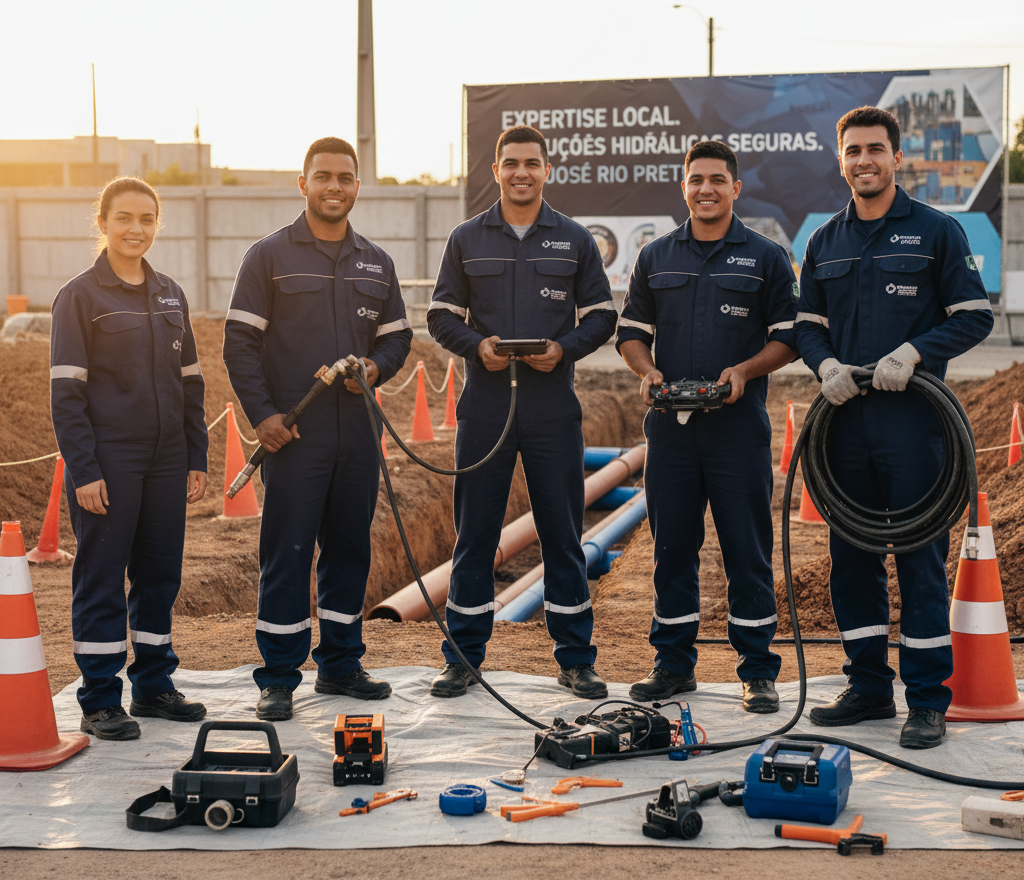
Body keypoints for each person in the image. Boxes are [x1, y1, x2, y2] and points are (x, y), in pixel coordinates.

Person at [795, 106, 993, 749]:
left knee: (919, 561)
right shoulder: (824, 241)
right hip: (844, 429)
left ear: (897, 157)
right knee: (851, 561)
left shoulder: (937, 231)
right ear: (841, 160)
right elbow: (807, 326)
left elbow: (974, 315)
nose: (864, 161)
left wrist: (914, 353)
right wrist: (824, 364)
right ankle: (869, 689)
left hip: (915, 427)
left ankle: (928, 700)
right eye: (853, 151)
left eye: (875, 149)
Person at [223, 137, 411, 721]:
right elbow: (239, 344)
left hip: (357, 433)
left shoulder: (376, 262)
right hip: (295, 436)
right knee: (287, 551)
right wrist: (263, 416)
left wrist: (375, 368)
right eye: (323, 176)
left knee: (349, 549)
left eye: (345, 177)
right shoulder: (268, 256)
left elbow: (397, 339)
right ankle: (279, 677)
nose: (335, 186)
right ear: (303, 183)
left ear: (357, 186)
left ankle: (340, 665)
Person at [426, 126, 617, 698]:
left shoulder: (574, 239)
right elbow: (440, 315)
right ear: (496, 171)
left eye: (532, 163)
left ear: (547, 170)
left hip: (551, 407)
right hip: (485, 407)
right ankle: (462, 659)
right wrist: (475, 346)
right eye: (511, 163)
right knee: (475, 535)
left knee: (562, 533)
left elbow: (602, 315)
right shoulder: (466, 238)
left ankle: (576, 658)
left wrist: (564, 349)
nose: (521, 173)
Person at [616, 139, 798, 712]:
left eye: (717, 179)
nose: (706, 189)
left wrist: (744, 371)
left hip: (737, 432)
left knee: (747, 550)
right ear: (684, 187)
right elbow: (630, 333)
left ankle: (758, 670)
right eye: (696, 179)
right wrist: (647, 372)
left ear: (735, 188)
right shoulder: (656, 255)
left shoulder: (766, 257)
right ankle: (673, 665)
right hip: (670, 432)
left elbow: (789, 337)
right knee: (672, 549)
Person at [50, 177, 209, 740]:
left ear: (157, 225)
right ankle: (99, 698)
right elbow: (66, 395)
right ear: (103, 223)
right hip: (110, 457)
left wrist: (196, 454)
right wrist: (84, 469)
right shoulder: (79, 297)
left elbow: (191, 382)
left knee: (159, 574)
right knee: (102, 574)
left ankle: (153, 686)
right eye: (124, 218)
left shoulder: (170, 293)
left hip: (168, 458)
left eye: (146, 219)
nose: (135, 229)